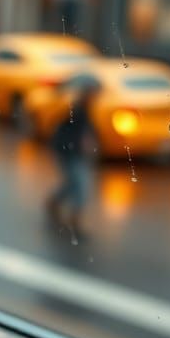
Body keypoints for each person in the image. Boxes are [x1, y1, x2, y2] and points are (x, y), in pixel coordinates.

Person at [47, 75, 101, 238]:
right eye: (93, 93)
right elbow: (66, 129)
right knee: (81, 186)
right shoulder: (76, 108)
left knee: (72, 183)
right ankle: (74, 220)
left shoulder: (85, 109)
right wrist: (81, 143)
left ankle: (54, 203)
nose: (95, 96)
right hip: (69, 152)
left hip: (73, 151)